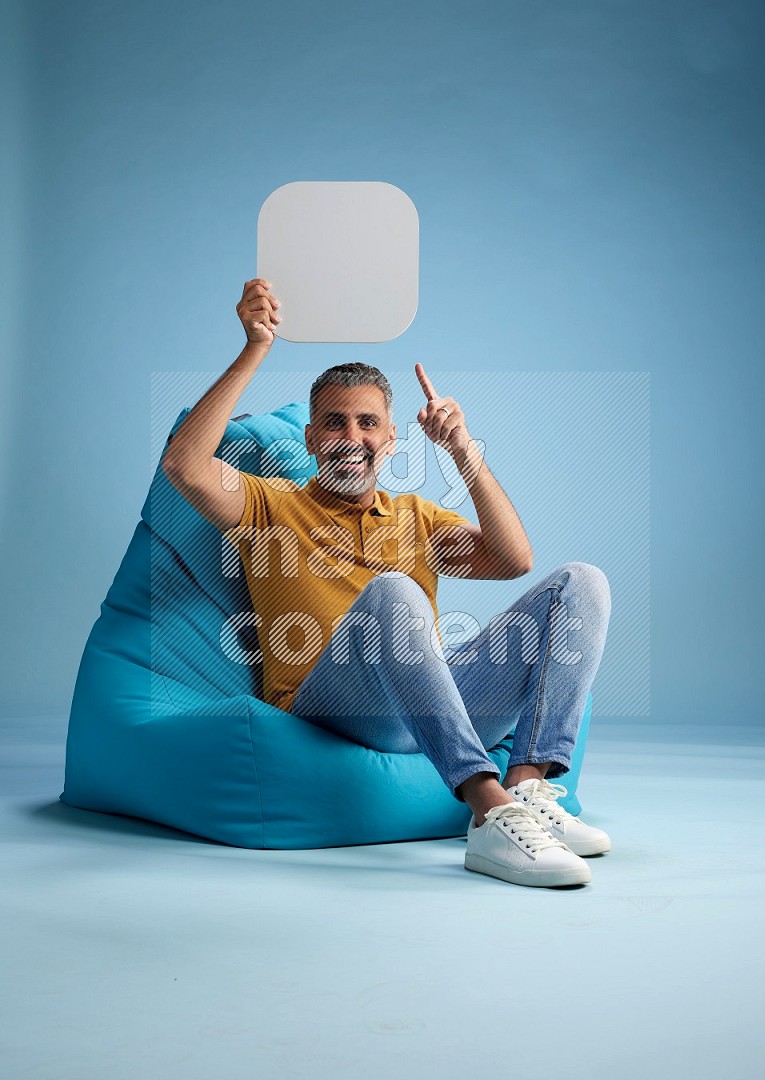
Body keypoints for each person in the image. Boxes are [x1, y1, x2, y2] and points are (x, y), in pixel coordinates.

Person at [163, 279, 613, 889]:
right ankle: (489, 815)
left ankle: (528, 786)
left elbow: (513, 560)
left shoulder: (415, 516)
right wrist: (255, 349)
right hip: (333, 709)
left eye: (368, 423)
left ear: (392, 438)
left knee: (580, 583)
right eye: (334, 423)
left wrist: (461, 448)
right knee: (395, 592)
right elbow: (185, 467)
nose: (352, 438)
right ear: (311, 437)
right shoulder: (271, 503)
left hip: (429, 707)